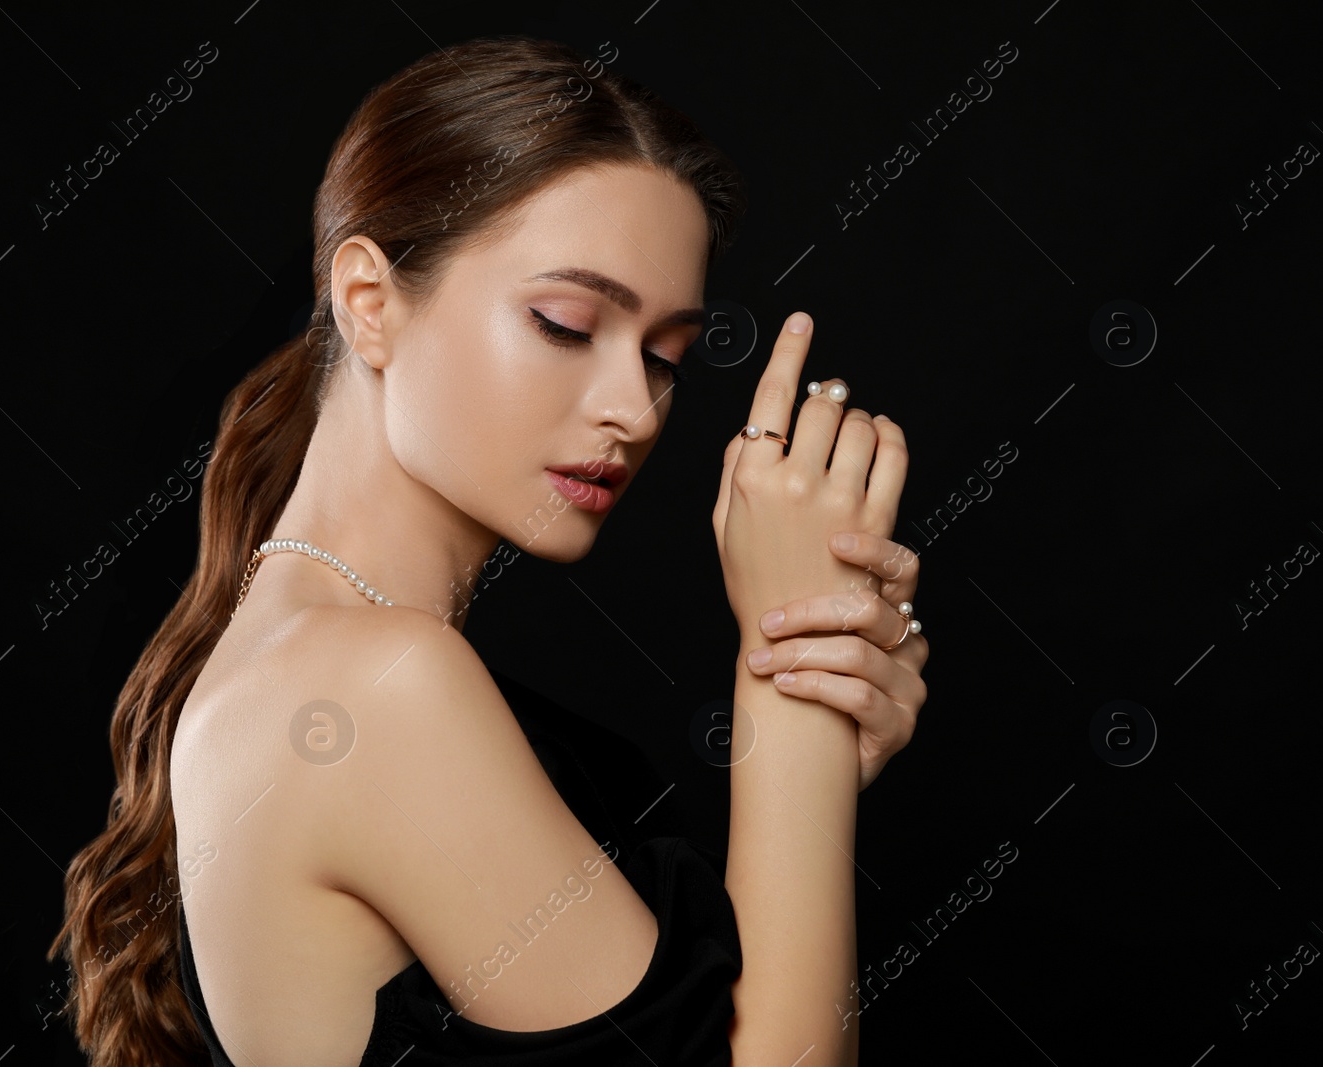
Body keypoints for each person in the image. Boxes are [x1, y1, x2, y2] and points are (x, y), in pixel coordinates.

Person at [47, 34, 928, 1067]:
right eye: (564, 323)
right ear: (369, 303)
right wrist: (792, 713)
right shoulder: (373, 686)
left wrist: (814, 747)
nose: (631, 408)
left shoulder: (313, 659)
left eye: (664, 357)